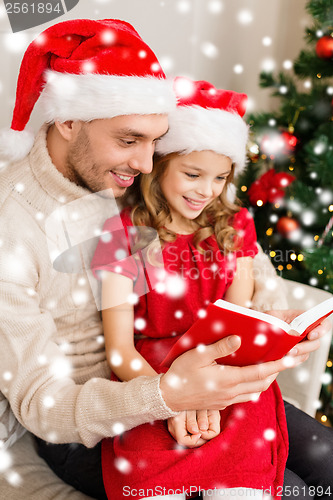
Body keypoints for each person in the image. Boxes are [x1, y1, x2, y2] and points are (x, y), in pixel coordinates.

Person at [0, 18, 331, 500]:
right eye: (130, 140)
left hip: (186, 373)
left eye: (156, 143)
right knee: (289, 489)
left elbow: (241, 256)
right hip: (96, 416)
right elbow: (42, 403)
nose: (146, 164)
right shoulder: (13, 229)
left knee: (323, 457)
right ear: (68, 121)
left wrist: (268, 318)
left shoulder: (130, 179)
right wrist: (169, 398)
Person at [91, 78, 289, 499]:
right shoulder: (124, 233)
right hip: (149, 376)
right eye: (193, 174)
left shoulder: (235, 226)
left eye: (220, 178)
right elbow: (120, 351)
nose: (207, 190)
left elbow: (239, 329)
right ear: (159, 165)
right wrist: (171, 400)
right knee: (150, 474)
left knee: (243, 476)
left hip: (224, 373)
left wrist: (210, 396)